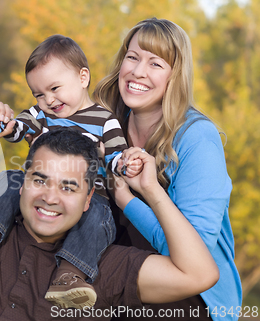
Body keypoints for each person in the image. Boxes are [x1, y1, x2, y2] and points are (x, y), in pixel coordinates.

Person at [0, 102, 219, 320]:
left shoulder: (106, 268)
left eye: (69, 187)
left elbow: (198, 275)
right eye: (40, 179)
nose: (50, 197)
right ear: (21, 183)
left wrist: (151, 191)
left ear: (89, 201)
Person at [0, 35, 141, 308]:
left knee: (100, 217)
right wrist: (1, 122)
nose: (48, 100)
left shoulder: (105, 120)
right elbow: (18, 130)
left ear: (83, 77)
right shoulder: (40, 116)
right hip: (38, 189)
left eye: (54, 88)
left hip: (89, 197)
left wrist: (123, 162)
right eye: (39, 94)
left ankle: (70, 276)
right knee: (7, 180)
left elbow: (115, 159)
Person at [92, 18, 242, 320]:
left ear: (175, 76)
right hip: (120, 273)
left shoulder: (197, 138)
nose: (137, 71)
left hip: (190, 295)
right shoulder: (106, 126)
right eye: (132, 57)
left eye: (155, 64)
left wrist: (131, 200)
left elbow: (192, 254)